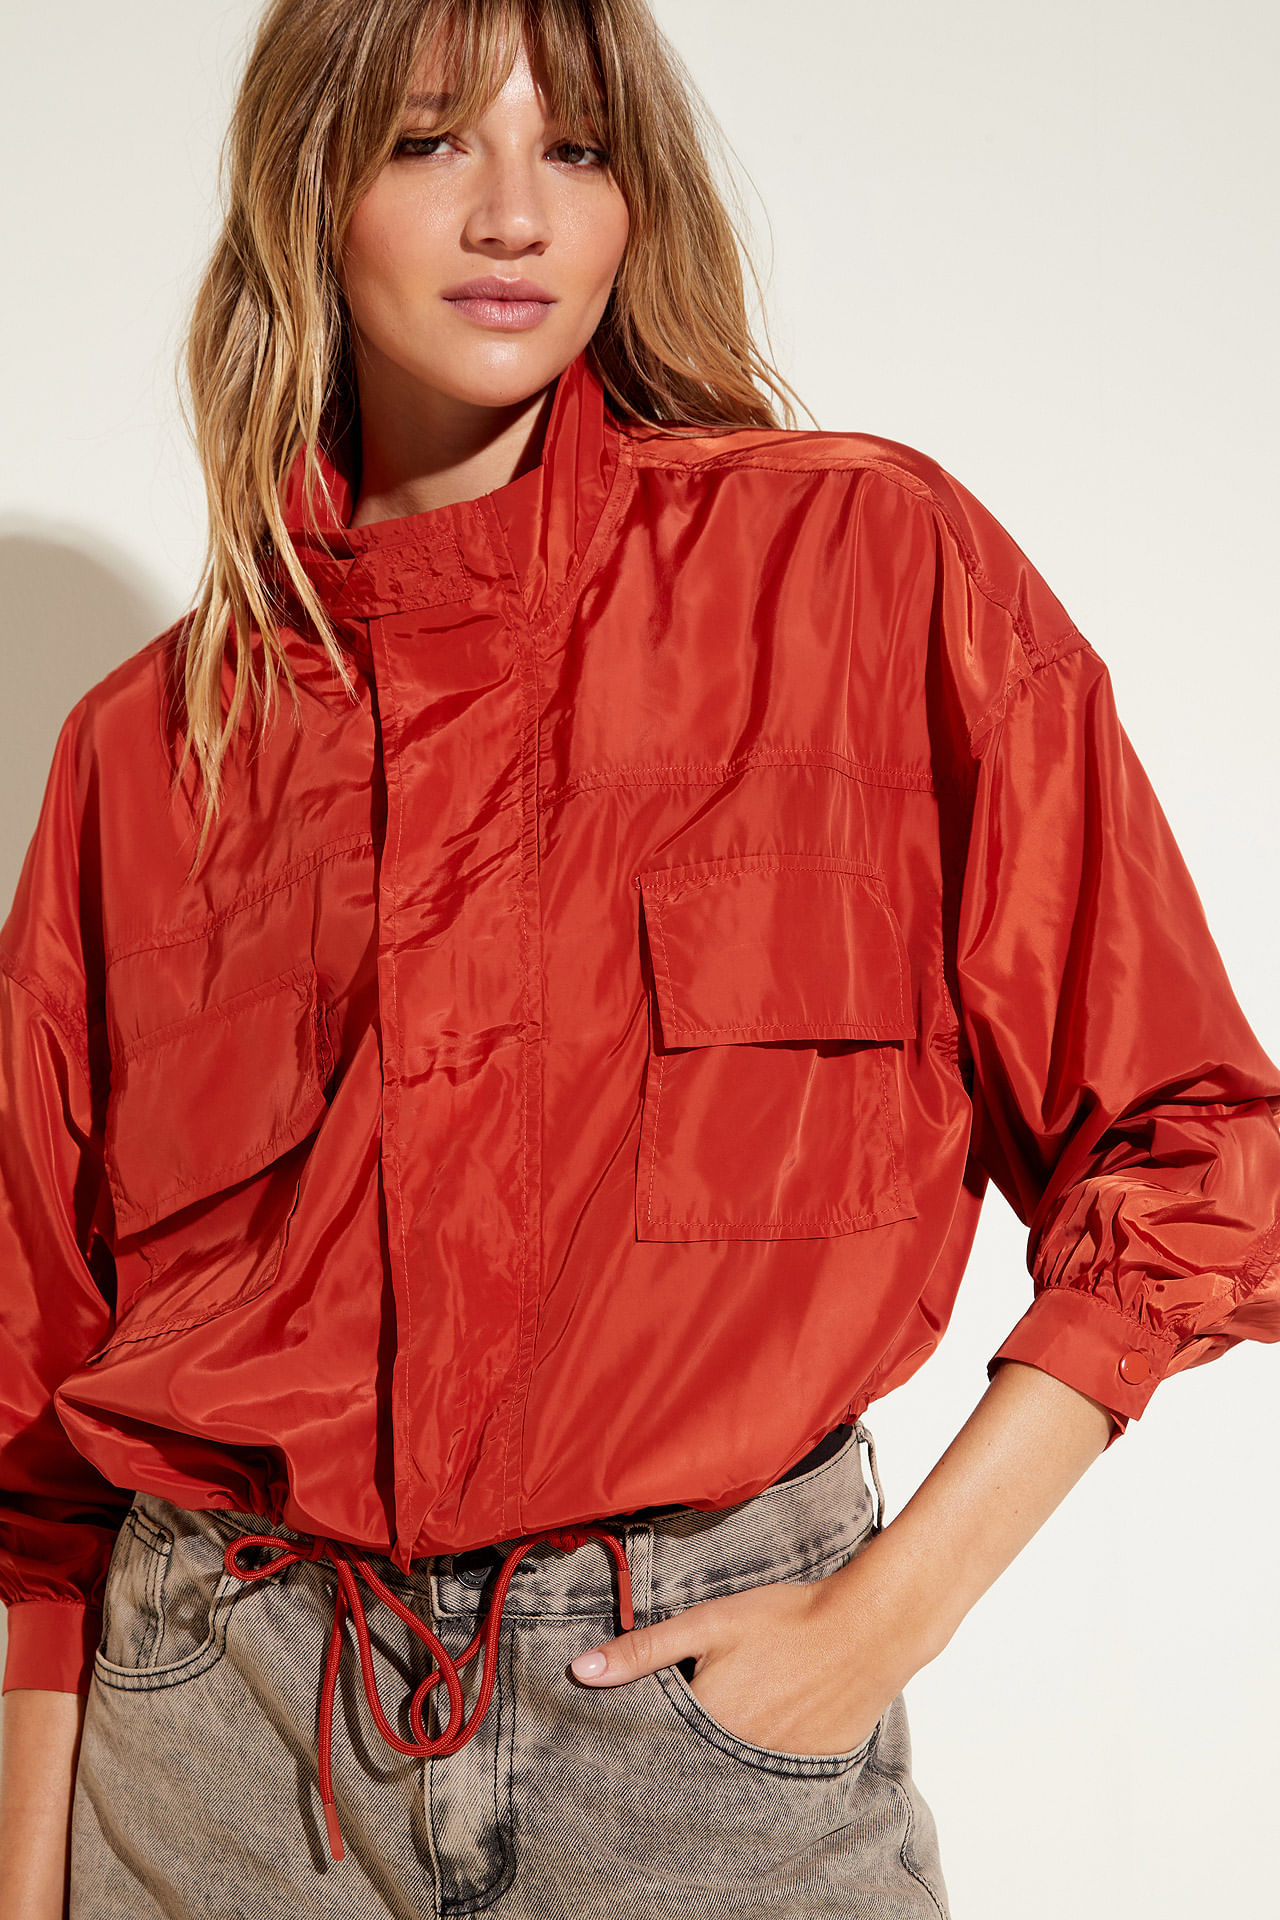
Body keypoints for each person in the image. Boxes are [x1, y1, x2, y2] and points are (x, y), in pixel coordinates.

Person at [2, 0, 1279, 1914]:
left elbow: (1190, 1147)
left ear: (635, 201)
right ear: (305, 195)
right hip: (219, 1759)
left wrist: (879, 1623)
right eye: (429, 140)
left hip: (701, 1757)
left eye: (576, 147)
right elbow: (35, 1444)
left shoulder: (857, 567)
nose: (513, 212)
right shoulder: (144, 750)